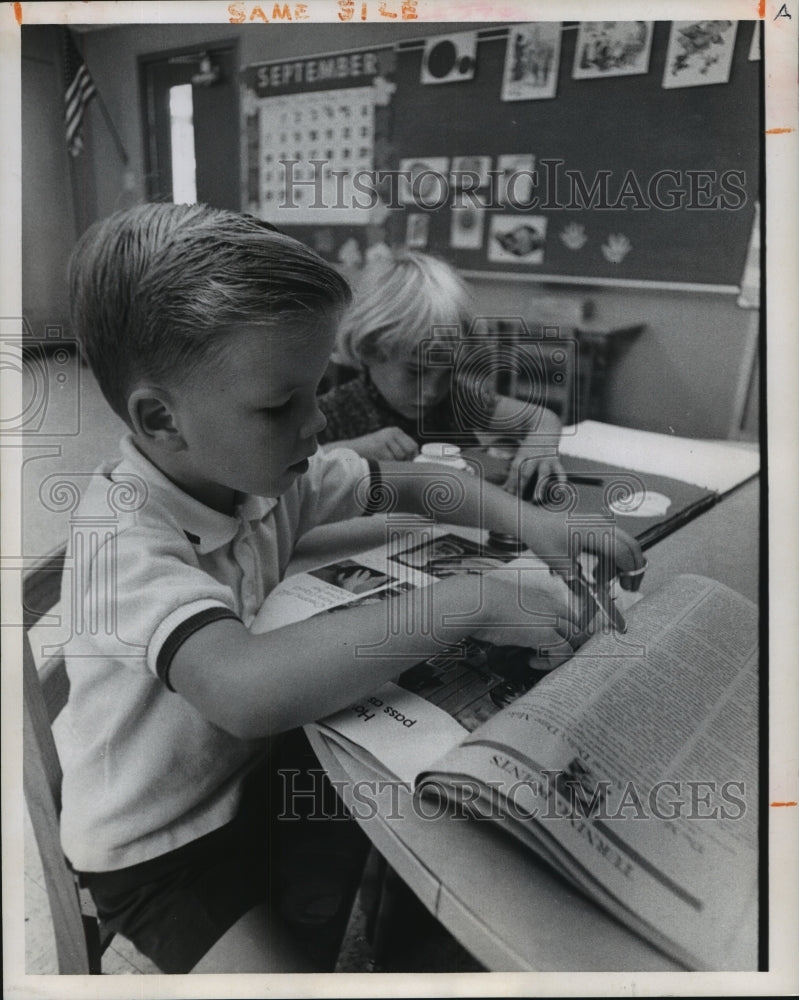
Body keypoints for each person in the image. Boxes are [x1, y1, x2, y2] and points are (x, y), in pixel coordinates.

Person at [56, 203, 641, 974]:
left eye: (315, 389)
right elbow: (241, 690)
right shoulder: (121, 536)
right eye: (281, 404)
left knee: (441, 835)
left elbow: (417, 483)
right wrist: (476, 599)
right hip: (162, 850)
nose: (315, 422)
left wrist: (538, 526)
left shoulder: (261, 472)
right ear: (162, 418)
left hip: (254, 782)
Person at [316, 249, 566, 501]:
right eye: (416, 371)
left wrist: (539, 447)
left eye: (448, 372)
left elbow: (543, 419)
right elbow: (296, 473)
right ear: (369, 350)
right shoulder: (331, 413)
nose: (432, 391)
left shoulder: (456, 398)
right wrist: (350, 451)